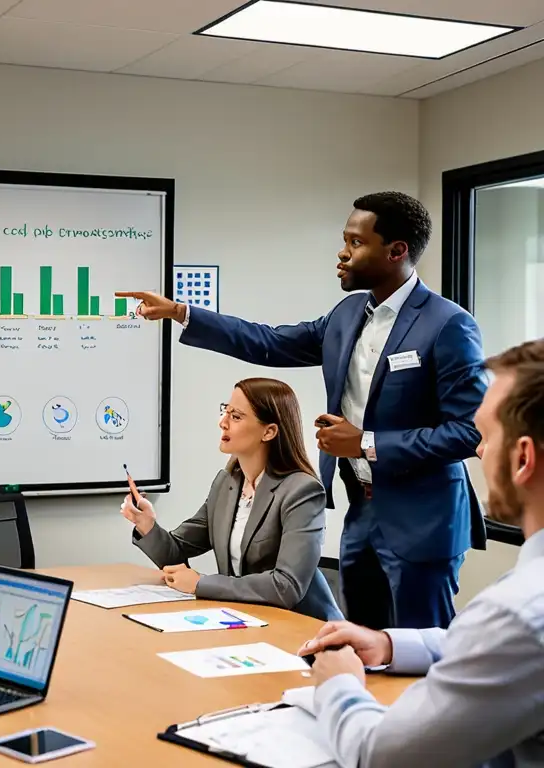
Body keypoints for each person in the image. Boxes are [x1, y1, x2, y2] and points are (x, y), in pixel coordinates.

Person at [118, 191, 487, 630]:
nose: (342, 252)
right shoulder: (348, 314)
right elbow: (269, 342)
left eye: (355, 242)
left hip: (424, 519)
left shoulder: (448, 324)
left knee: (419, 653)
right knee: (363, 646)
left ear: (396, 251)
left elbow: (469, 432)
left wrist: (365, 443)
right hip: (362, 511)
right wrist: (181, 312)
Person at [297, 338, 544, 768]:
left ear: (523, 458)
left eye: (485, 437)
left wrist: (338, 685)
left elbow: (380, 755)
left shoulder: (519, 611)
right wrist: (391, 643)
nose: (478, 450)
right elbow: (498, 650)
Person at [122, 377, 341, 621]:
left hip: (304, 630)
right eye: (225, 411)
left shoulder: (302, 491)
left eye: (236, 416)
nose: (222, 423)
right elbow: (177, 554)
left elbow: (286, 586)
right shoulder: (227, 483)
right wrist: (147, 525)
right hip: (245, 620)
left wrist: (201, 583)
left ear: (269, 431)